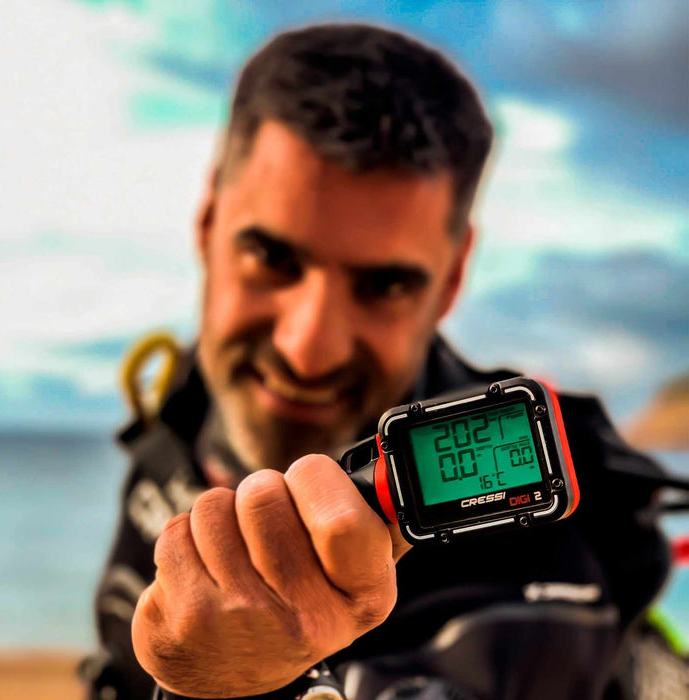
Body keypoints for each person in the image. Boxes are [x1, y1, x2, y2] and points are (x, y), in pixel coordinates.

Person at [81, 24, 678, 700]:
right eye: (271, 257)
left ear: (452, 278)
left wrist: (233, 690)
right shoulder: (179, 400)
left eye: (385, 285)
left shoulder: (537, 578)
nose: (307, 351)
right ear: (208, 221)